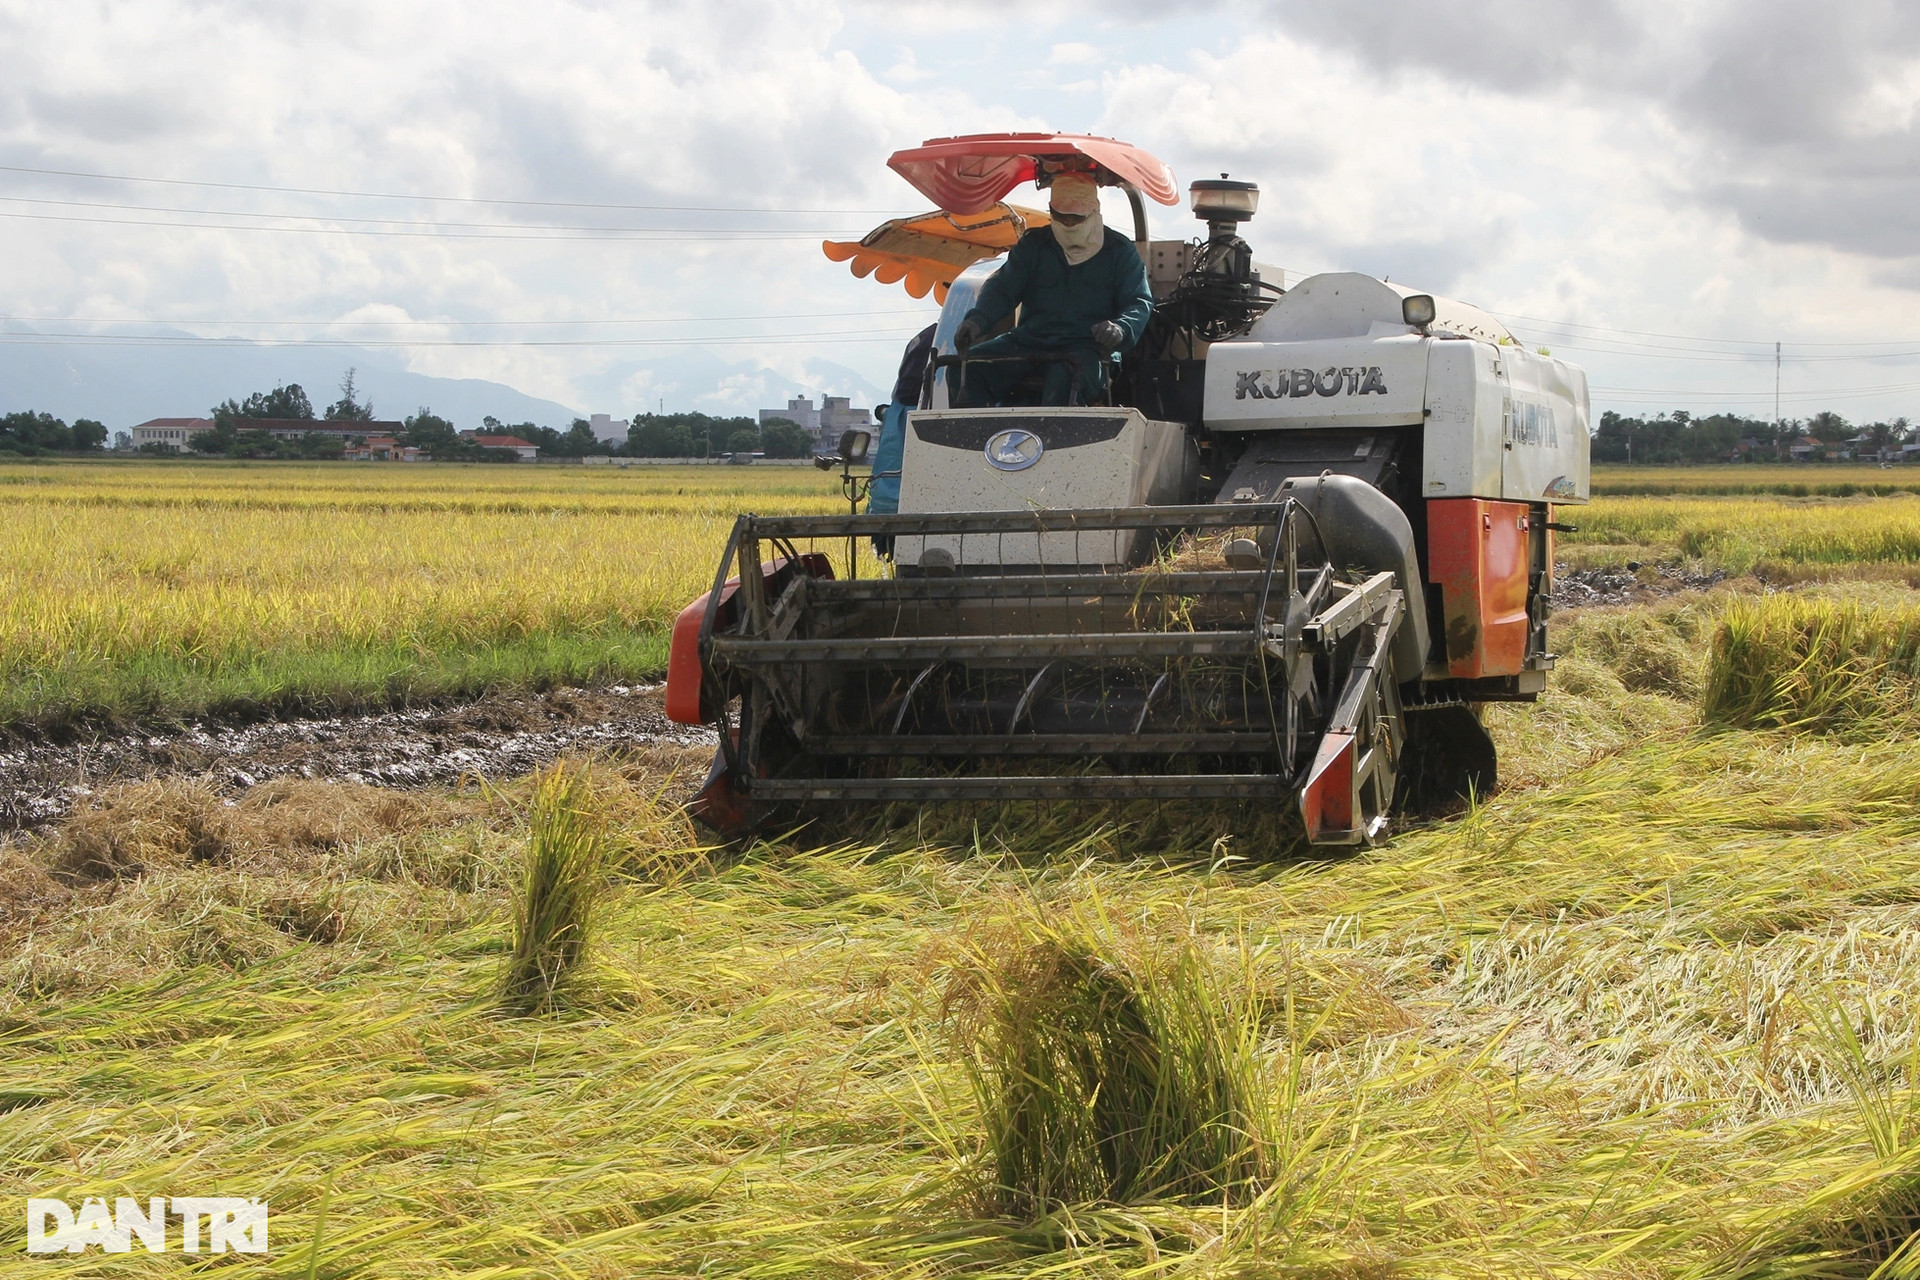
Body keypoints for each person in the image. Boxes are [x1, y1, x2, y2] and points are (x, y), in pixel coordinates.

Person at [951, 171, 1154, 407]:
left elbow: (1138, 301)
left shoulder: (1119, 252)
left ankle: (1049, 442)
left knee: (1065, 379)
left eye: (1076, 218)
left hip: (1088, 349)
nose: (1067, 224)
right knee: (965, 370)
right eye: (1060, 217)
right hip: (1028, 342)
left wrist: (1121, 328)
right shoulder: (1033, 246)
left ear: (1094, 212)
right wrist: (977, 321)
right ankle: (979, 439)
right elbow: (1003, 288)